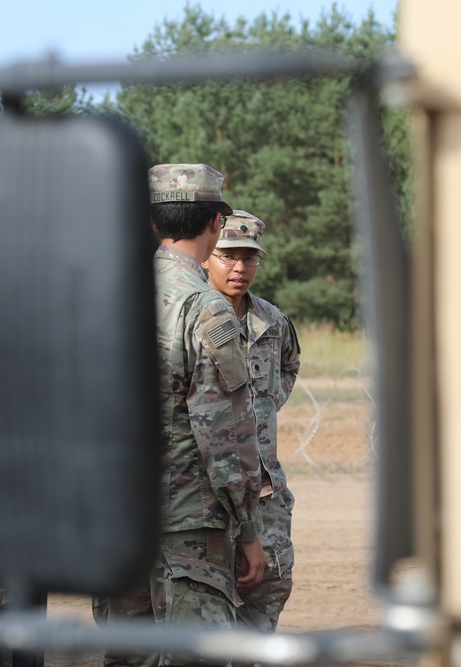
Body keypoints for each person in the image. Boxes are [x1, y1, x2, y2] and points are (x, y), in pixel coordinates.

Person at [102, 164, 266, 667]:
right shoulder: (205, 310)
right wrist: (251, 527)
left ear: (153, 224)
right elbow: (224, 433)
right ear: (217, 223)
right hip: (188, 524)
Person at [202, 210, 301, 633]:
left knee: (270, 584)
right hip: (205, 487)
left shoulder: (272, 322)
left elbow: (290, 365)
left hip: (262, 487)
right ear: (207, 255)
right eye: (228, 256)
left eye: (250, 258)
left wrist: (261, 409)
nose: (240, 268)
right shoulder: (191, 317)